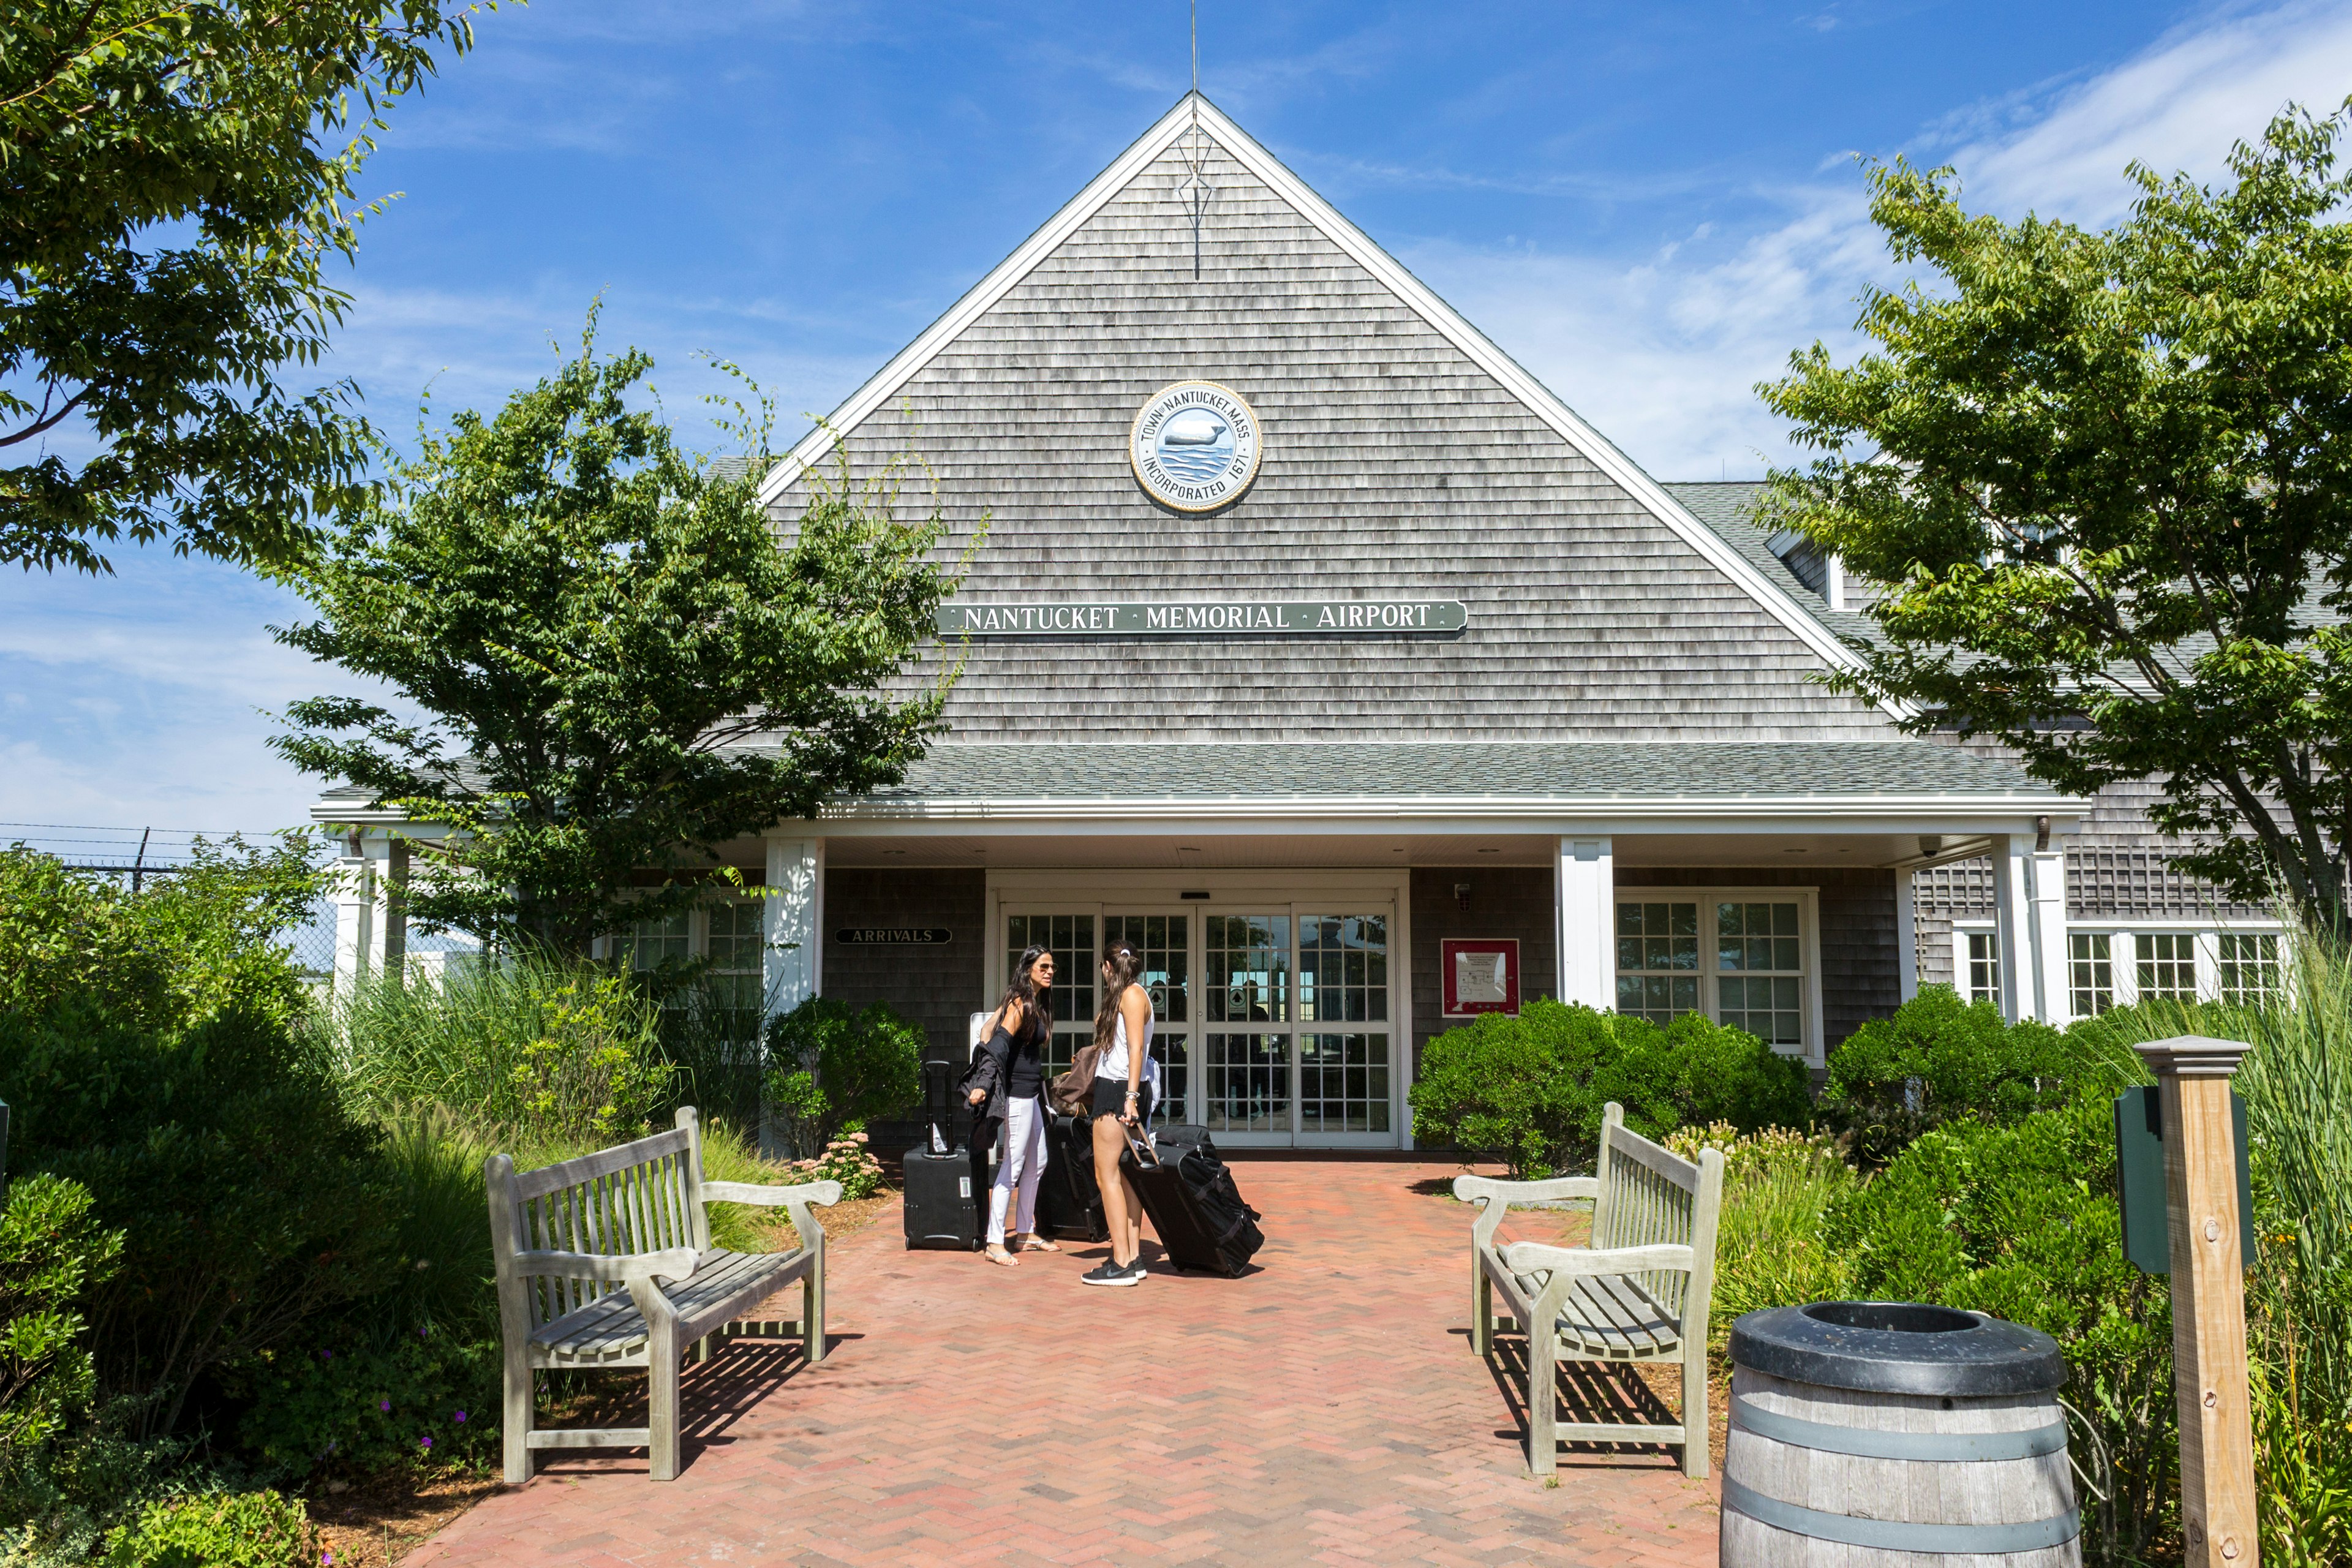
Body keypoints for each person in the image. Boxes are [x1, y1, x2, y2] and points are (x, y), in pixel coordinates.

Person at [965, 944, 1060, 1268]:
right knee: (1014, 1166)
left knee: (1039, 1162)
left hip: (1033, 1094)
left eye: (1052, 968)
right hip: (1018, 1095)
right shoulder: (1020, 1003)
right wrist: (981, 1084)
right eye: (1043, 967)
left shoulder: (1034, 1002)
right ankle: (994, 1242)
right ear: (1028, 968)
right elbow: (999, 1045)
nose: (1049, 972)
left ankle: (1024, 1232)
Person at [1080, 940, 1153, 1287]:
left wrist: (1130, 1096)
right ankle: (1134, 1257)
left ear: (1107, 967)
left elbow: (1137, 1048)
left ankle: (1122, 1261)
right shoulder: (1125, 995)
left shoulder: (1131, 995)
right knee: (1125, 1174)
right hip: (1124, 1088)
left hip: (1121, 1090)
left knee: (1105, 1174)